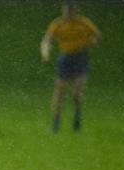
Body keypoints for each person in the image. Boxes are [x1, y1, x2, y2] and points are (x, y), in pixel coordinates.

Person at [41, 2, 101, 132]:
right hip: (65, 58)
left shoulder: (83, 23)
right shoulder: (58, 24)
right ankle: (56, 121)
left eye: (70, 11)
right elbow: (47, 40)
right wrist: (45, 53)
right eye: (66, 11)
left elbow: (97, 35)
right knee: (60, 89)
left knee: (77, 91)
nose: (68, 14)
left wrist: (91, 43)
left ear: (75, 11)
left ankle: (77, 114)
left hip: (81, 57)